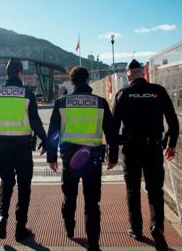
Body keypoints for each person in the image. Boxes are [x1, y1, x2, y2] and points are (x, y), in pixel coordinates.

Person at [47, 66, 119, 251]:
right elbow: (111, 133)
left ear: (72, 82)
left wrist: (51, 157)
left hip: (70, 158)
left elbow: (53, 133)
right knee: (92, 202)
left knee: (69, 196)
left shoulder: (62, 102)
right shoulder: (100, 102)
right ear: (87, 80)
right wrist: (113, 157)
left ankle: (69, 229)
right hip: (93, 159)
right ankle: (93, 243)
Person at [112, 59, 179, 251]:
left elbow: (113, 127)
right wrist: (171, 144)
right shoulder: (158, 91)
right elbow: (173, 121)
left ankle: (136, 229)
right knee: (155, 189)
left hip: (131, 149)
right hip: (153, 148)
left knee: (132, 189)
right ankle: (157, 226)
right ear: (143, 73)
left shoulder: (123, 94)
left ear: (128, 74)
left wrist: (113, 153)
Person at [0, 58, 47, 241]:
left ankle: (2, 217)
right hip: (23, 146)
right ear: (20, 73)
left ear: (7, 74)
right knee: (24, 187)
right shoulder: (27, 93)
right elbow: (35, 121)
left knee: (6, 183)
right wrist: (46, 140)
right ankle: (20, 229)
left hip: (2, 146)